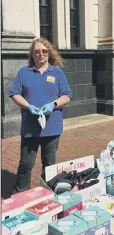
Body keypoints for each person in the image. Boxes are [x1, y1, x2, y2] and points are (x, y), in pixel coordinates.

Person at [10, 37, 72, 192]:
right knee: (26, 164)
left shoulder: (57, 73)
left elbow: (67, 95)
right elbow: (15, 94)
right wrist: (28, 106)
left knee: (49, 165)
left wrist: (54, 104)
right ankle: (21, 195)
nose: (41, 54)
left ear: (49, 53)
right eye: (36, 51)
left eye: (44, 51)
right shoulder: (24, 72)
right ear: (32, 54)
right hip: (30, 128)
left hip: (51, 128)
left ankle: (47, 194)